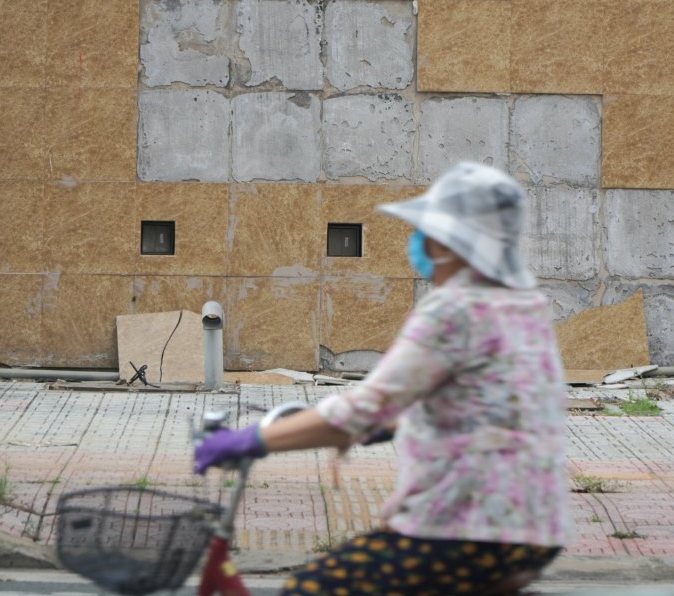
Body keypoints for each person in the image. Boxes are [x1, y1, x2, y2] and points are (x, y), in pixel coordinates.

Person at [194, 162, 572, 595]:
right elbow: (485, 404)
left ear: (448, 241)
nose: (419, 243)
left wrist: (250, 441)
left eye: (427, 233)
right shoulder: (524, 306)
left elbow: (363, 408)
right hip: (538, 523)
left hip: (469, 525)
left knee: (313, 588)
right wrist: (392, 425)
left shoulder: (453, 310)